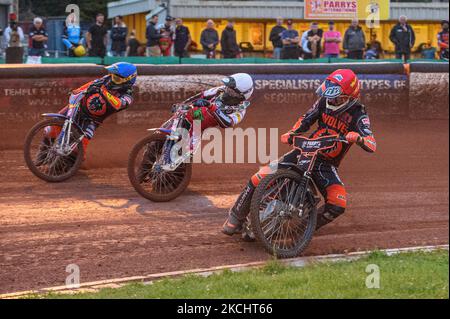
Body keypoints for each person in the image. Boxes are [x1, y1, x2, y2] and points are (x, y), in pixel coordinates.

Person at [222, 69, 376, 236]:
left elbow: (371, 142)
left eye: (337, 97)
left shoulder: (358, 113)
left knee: (338, 204)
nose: (332, 99)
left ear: (349, 97)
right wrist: (292, 133)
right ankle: (235, 218)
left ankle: (300, 231)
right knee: (259, 176)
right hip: (304, 151)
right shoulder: (323, 101)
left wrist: (360, 139)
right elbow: (306, 119)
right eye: (331, 95)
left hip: (326, 164)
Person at [36, 62, 137, 164]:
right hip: (78, 107)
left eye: (117, 78)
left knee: (76, 151)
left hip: (92, 121)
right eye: (112, 75)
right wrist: (77, 91)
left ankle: (68, 165)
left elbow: (118, 104)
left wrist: (103, 92)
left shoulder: (128, 97)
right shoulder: (107, 79)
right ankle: (43, 154)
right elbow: (91, 84)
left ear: (127, 80)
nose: (112, 78)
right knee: (51, 128)